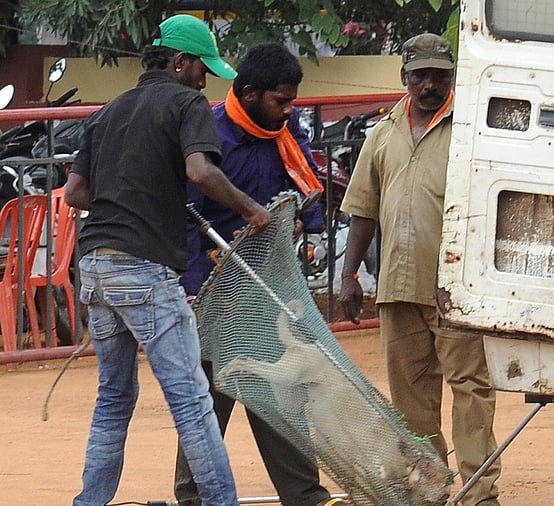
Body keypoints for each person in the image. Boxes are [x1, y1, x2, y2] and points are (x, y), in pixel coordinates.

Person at [65, 14, 271, 506]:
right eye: (203, 68)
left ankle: (89, 502)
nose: (206, 79)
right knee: (192, 401)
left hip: (94, 268)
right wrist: (251, 209)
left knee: (113, 398)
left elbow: (75, 192)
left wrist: (128, 199)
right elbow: (201, 172)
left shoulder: (107, 111)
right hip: (143, 270)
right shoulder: (187, 103)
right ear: (180, 62)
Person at [172, 42, 344, 506]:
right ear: (249, 94)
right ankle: (193, 498)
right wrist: (192, 290)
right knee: (210, 397)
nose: (289, 110)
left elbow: (302, 183)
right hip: (215, 288)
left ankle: (306, 496)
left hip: (270, 283)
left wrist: (310, 233)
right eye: (280, 101)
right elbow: (186, 215)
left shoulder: (286, 131)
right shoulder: (210, 134)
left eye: (292, 100)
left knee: (282, 389)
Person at [338, 33, 502, 506]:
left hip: (457, 286)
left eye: (440, 75)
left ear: (453, 75)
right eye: (421, 75)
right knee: (411, 400)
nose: (430, 84)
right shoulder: (381, 135)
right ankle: (431, 488)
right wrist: (349, 277)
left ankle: (479, 494)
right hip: (397, 285)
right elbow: (363, 211)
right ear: (404, 76)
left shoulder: (472, 126)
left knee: (471, 389)